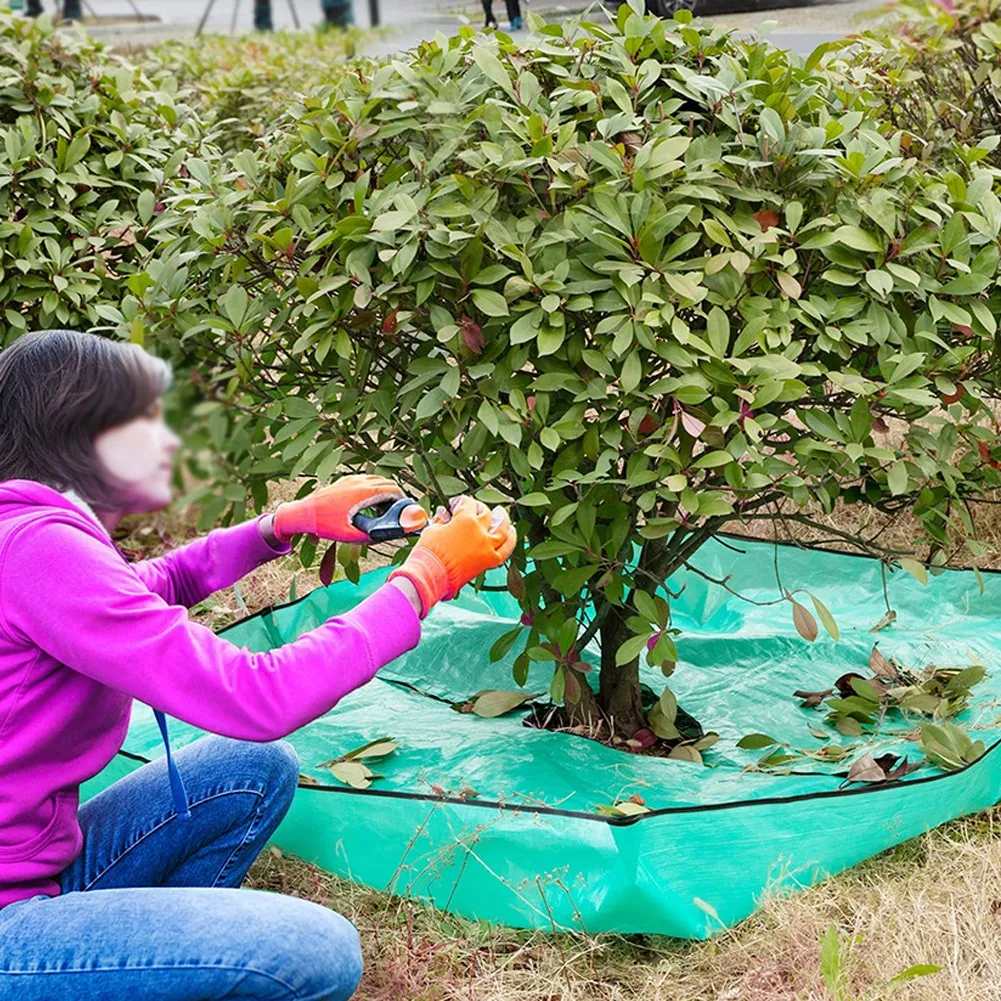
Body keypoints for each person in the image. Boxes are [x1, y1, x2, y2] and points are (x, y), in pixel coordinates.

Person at [0, 329, 517, 1001]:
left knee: (251, 771)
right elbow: (256, 696)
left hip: (32, 871)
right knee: (311, 950)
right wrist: (422, 581)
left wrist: (284, 523)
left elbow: (149, 587)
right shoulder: (38, 550)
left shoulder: (26, 535)